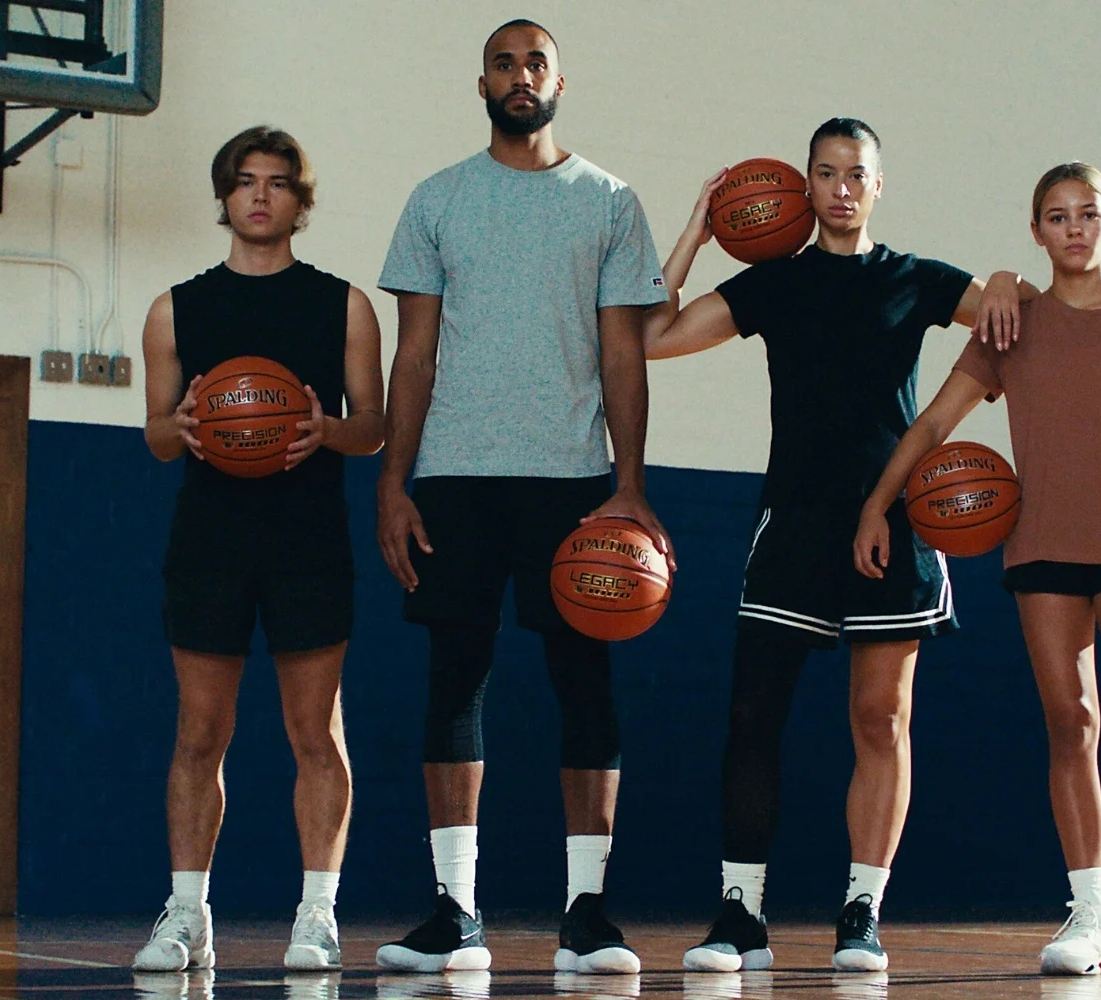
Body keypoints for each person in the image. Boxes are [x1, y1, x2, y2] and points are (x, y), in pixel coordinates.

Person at [643, 117, 1032, 972]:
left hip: (896, 524)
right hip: (795, 522)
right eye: (826, 173)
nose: (843, 187)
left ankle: (862, 911)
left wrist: (1003, 276)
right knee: (752, 716)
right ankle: (740, 915)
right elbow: (651, 339)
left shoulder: (915, 279)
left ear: (878, 185)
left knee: (880, 717)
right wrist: (697, 234)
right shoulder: (772, 284)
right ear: (806, 186)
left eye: (858, 173)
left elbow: (1020, 321)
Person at [854, 162, 1101, 978]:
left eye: (1088, 213)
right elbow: (935, 421)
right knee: (1071, 726)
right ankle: (1093, 914)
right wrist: (876, 505)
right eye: (1057, 216)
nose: (1074, 227)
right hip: (1042, 550)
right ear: (1036, 232)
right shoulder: (1012, 323)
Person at [373, 18, 671, 976]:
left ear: (560, 81)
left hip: (576, 486)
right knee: (454, 683)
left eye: (534, 61)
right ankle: (455, 912)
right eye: (503, 63)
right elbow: (413, 355)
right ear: (481, 84)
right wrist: (392, 479)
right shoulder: (438, 199)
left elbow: (625, 356)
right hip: (454, 478)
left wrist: (629, 485)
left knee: (584, 687)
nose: (519, 75)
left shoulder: (610, 201)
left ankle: (587, 913)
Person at [135, 125, 385, 973]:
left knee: (315, 733)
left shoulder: (344, 304)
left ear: (299, 203)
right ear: (224, 196)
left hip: (307, 541)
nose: (259, 195)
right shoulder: (175, 307)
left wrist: (328, 429)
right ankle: (185, 914)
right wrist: (185, 424)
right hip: (208, 540)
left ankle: (317, 914)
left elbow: (376, 428)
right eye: (245, 181)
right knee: (200, 733)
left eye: (278, 183)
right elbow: (157, 438)